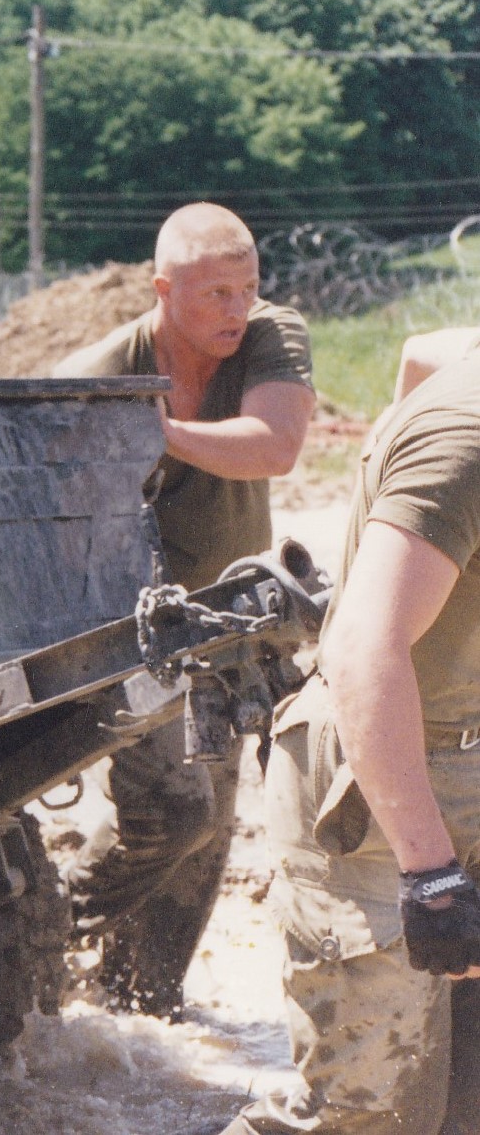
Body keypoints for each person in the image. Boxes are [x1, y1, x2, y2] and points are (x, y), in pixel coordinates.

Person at [51, 203, 316, 1018]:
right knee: (174, 812)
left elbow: (274, 444)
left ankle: (141, 1001)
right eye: (214, 295)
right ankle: (52, 935)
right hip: (133, 628)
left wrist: (157, 430)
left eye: (246, 289)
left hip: (229, 623)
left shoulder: (267, 334)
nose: (236, 310)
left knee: (207, 832)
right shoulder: (101, 373)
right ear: (162, 291)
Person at [215, 349, 480, 1133]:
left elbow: (420, 351)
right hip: (381, 777)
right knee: (367, 1114)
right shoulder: (463, 440)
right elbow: (364, 647)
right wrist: (431, 875)